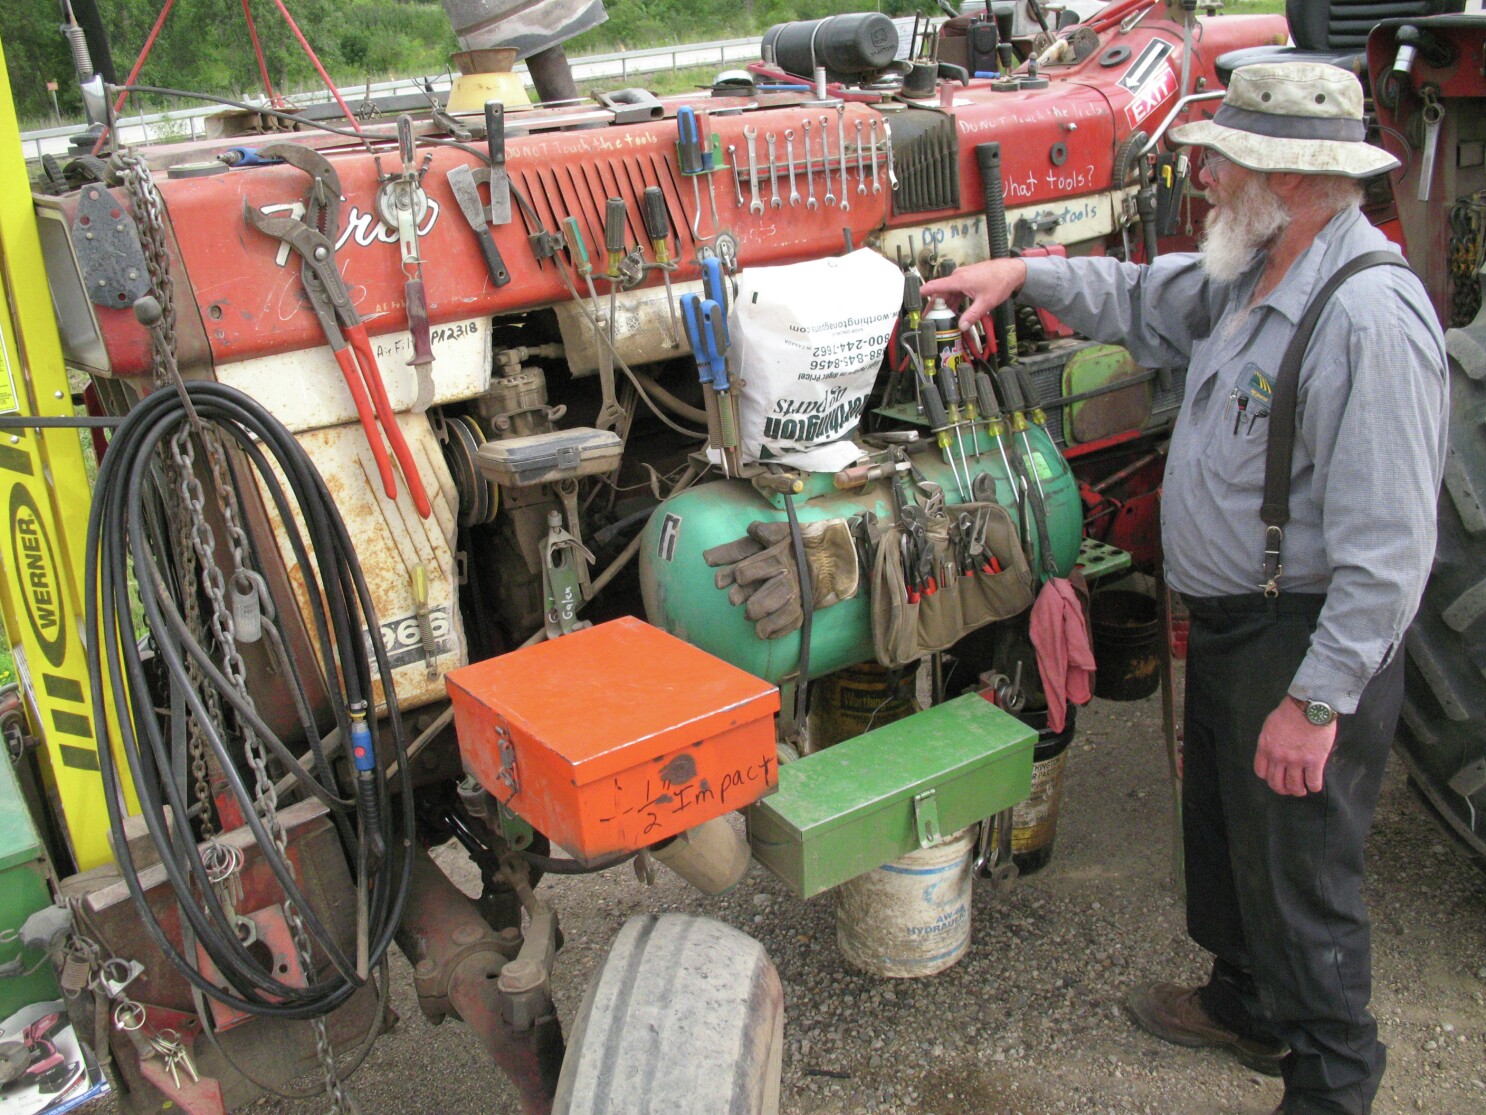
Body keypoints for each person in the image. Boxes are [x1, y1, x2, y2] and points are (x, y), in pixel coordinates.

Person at [921, 61, 1449, 1115]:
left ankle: (1331, 1082)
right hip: (1230, 624)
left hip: (1299, 642)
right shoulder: (1255, 266)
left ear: (1294, 179)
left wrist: (1313, 703)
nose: (1201, 174)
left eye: (1225, 159)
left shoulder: (1366, 320)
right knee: (1222, 836)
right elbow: (1140, 298)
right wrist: (1023, 276)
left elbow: (1390, 548)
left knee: (1300, 876)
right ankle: (1247, 1004)